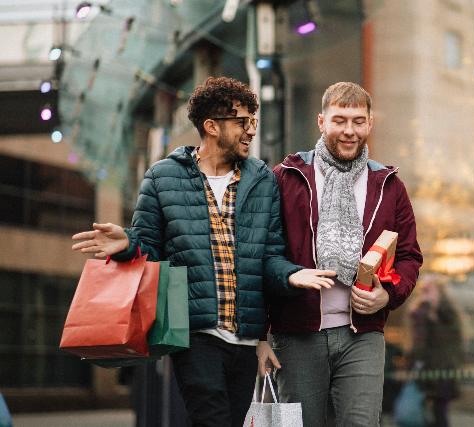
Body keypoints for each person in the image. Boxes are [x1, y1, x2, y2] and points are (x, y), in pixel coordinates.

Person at [71, 76, 335, 427]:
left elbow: (269, 255)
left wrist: (290, 275)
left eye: (252, 121)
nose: (251, 130)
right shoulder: (162, 177)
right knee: (210, 418)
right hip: (195, 335)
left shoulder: (261, 179)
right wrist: (127, 244)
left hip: (244, 337)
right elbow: (149, 250)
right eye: (242, 121)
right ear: (211, 126)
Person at [263, 81, 423, 426]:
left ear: (369, 124)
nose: (349, 131)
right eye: (340, 120)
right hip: (297, 333)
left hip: (362, 333)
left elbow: (410, 256)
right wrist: (291, 276)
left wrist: (388, 295)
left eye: (358, 121)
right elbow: (262, 253)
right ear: (322, 122)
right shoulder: (287, 177)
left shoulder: (389, 184)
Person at [407, 274, 464, 427]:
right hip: (425, 370)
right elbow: (418, 342)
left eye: (429, 290)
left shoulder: (448, 313)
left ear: (439, 291)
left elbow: (450, 340)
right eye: (423, 290)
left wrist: (432, 313)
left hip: (443, 370)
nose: (424, 294)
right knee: (423, 413)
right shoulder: (420, 312)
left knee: (439, 412)